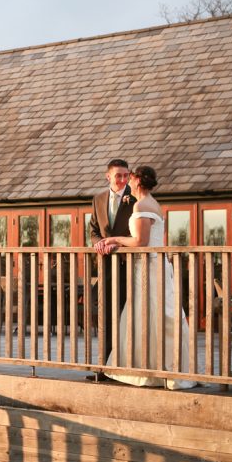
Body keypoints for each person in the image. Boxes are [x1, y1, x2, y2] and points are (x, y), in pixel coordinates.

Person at [95, 166, 196, 390]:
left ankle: (149, 368)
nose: (127, 181)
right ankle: (155, 366)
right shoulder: (153, 203)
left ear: (138, 180)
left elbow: (140, 241)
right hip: (154, 265)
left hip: (149, 267)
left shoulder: (142, 205)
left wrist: (114, 239)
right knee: (153, 315)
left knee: (147, 314)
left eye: (130, 177)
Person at [88, 158, 133, 380]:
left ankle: (122, 366)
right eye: (119, 175)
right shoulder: (98, 199)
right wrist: (98, 242)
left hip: (129, 267)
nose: (123, 179)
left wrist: (119, 243)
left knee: (124, 315)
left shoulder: (136, 198)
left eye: (126, 175)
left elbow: (138, 236)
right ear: (108, 176)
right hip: (105, 267)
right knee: (105, 314)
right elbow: (94, 229)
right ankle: (102, 367)